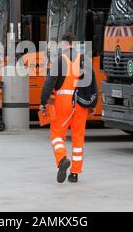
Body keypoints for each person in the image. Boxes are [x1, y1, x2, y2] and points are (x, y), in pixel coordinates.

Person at [40, 32, 98, 183]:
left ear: (64, 44)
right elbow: (93, 84)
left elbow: (49, 82)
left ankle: (62, 159)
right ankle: (75, 173)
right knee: (78, 138)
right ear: (74, 44)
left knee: (56, 135)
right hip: (81, 104)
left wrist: (43, 101)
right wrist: (92, 104)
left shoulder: (60, 61)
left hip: (63, 103)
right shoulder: (85, 60)